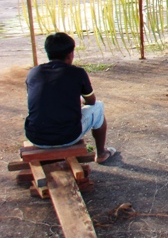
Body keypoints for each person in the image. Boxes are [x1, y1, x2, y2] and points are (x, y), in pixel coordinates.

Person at [25, 32, 116, 164]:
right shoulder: (77, 73)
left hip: (35, 137)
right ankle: (101, 153)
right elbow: (91, 101)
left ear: (48, 52)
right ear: (70, 54)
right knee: (98, 107)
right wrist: (78, 101)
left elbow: (38, 99)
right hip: (68, 137)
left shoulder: (34, 72)